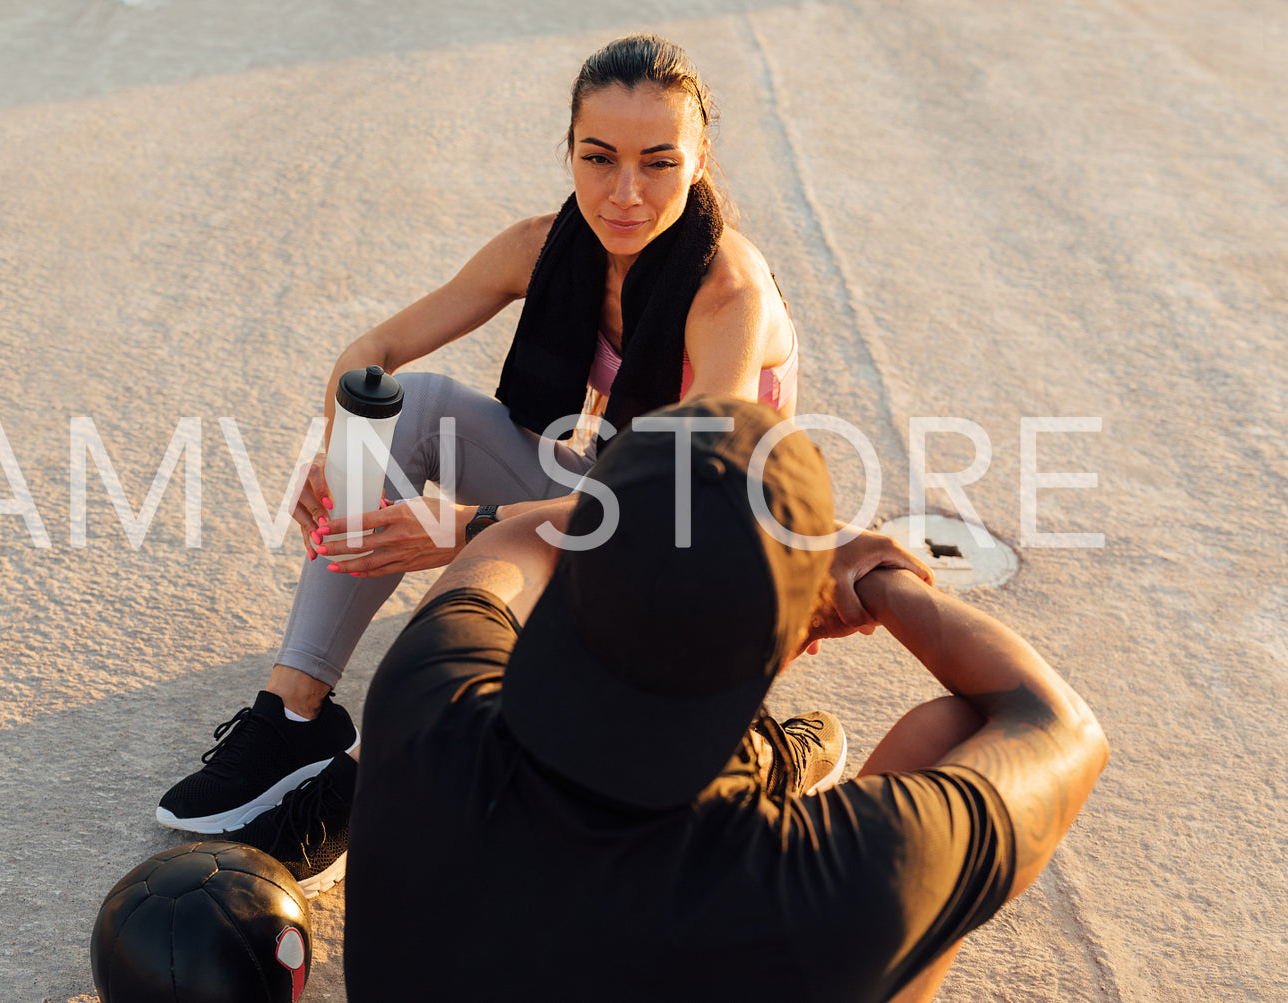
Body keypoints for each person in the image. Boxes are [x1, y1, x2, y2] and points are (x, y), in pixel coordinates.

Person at [156, 35, 820, 886]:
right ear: (569, 150)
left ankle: (371, 781)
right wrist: (338, 448)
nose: (624, 192)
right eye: (599, 157)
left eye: (658, 163)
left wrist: (470, 527)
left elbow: (680, 497)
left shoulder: (728, 294)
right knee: (415, 405)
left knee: (479, 567)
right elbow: (375, 349)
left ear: (697, 162)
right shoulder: (545, 246)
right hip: (607, 492)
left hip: (703, 550)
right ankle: (292, 713)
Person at [342, 397, 1109, 1002]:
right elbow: (1059, 724)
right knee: (959, 728)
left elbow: (506, 547)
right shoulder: (830, 880)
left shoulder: (426, 693)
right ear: (797, 633)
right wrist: (868, 577)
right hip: (789, 893)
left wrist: (644, 518)